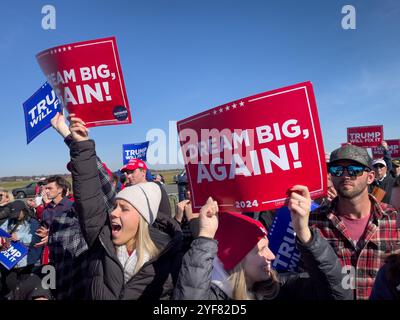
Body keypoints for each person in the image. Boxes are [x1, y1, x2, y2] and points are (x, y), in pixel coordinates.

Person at [68, 114, 182, 299]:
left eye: (124, 209)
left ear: (143, 218)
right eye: (115, 206)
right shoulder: (102, 242)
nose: (113, 213)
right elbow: (89, 199)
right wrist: (81, 144)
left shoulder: (167, 259)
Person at [173, 186, 351, 300]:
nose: (272, 255)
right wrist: (204, 236)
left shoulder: (276, 289)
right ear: (237, 261)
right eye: (261, 249)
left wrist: (305, 234)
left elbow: (339, 293)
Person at [309, 144, 400, 300]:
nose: (345, 175)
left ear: (370, 177)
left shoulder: (392, 218)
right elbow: (305, 276)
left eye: (354, 170)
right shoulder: (314, 220)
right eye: (337, 170)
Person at [0, 200, 42, 297]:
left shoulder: (33, 222)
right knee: (9, 284)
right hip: (10, 259)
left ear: (23, 211)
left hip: (26, 261)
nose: (16, 216)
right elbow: (2, 230)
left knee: (24, 286)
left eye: (17, 213)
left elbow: (35, 239)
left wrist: (19, 236)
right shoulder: (11, 220)